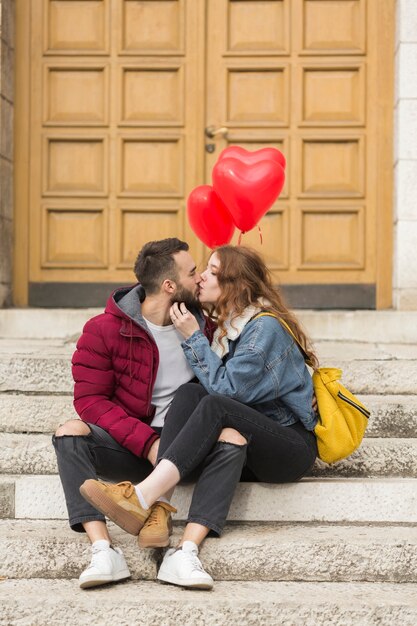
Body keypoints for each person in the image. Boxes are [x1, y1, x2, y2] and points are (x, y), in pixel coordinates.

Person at [80, 245, 319, 589]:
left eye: (211, 270)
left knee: (214, 403)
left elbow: (228, 391)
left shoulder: (262, 328)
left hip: (288, 446)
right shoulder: (227, 326)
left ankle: (145, 496)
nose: (202, 277)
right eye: (200, 270)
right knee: (190, 393)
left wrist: (192, 337)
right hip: (251, 440)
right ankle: (159, 507)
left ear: (234, 283)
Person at [52, 238, 247, 590]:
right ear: (169, 286)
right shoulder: (104, 330)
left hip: (187, 447)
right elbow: (91, 401)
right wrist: (149, 444)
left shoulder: (205, 328)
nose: (201, 278)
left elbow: (239, 381)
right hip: (132, 445)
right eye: (192, 273)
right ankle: (102, 550)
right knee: (69, 431)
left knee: (232, 439)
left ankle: (185, 552)